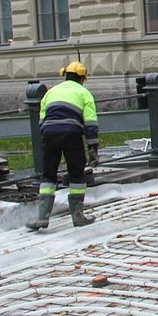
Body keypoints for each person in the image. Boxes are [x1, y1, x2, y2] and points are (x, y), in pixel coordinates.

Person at [27, 61, 100, 230]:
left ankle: (42, 217)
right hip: (71, 134)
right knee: (76, 173)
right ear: (82, 78)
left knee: (48, 174)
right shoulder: (84, 93)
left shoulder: (51, 92)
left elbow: (41, 119)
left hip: (50, 133)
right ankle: (78, 215)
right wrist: (93, 149)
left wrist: (48, 134)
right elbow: (90, 124)